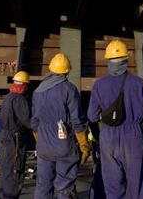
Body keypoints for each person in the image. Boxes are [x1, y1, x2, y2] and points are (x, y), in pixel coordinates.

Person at [88, 40, 143, 199]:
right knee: (140, 186)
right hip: (134, 138)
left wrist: (104, 124)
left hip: (108, 138)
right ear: (126, 60)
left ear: (108, 61)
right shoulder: (140, 84)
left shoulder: (99, 85)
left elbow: (92, 116)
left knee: (112, 187)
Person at [32, 53, 90, 199]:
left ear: (50, 69)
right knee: (64, 187)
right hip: (63, 146)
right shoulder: (69, 89)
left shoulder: (38, 91)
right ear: (66, 71)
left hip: (44, 148)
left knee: (43, 186)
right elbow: (77, 120)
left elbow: (35, 122)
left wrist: (40, 140)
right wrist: (84, 145)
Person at [0, 70, 32, 199]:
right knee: (15, 170)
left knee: (7, 169)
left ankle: (6, 195)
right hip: (15, 139)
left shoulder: (8, 97)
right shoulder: (19, 99)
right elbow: (27, 120)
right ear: (24, 85)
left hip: (5, 136)